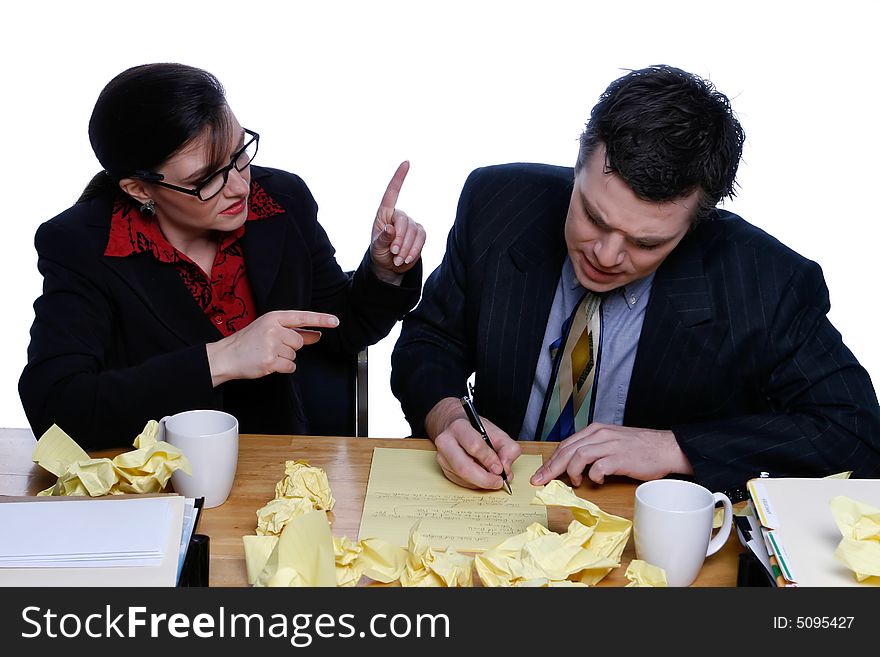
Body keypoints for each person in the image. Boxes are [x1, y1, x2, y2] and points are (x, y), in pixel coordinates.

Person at [391, 65, 880, 498]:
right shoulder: (497, 204)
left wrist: (674, 448)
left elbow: (856, 432)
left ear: (694, 226)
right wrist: (447, 416)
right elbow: (430, 340)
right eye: (593, 216)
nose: (605, 255)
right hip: (491, 505)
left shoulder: (766, 282)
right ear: (579, 165)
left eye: (646, 243)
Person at [20, 63, 425, 448]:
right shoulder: (81, 243)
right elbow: (56, 409)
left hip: (275, 465)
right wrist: (221, 359)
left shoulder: (280, 201)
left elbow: (341, 329)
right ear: (139, 189)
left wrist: (384, 270)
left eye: (238, 155)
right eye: (207, 179)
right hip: (151, 483)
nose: (239, 187)